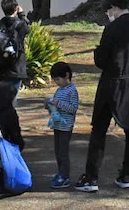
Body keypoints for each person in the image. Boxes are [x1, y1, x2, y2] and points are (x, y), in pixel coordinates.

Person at [75, 0, 129, 193]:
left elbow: (102, 60)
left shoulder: (112, 29)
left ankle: (91, 178)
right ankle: (126, 176)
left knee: (99, 130)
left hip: (113, 84)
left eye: (107, 10)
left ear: (112, 8)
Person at [0, 0, 30, 98]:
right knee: (12, 97)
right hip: (15, 65)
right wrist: (22, 15)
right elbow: (27, 30)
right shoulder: (21, 25)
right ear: (16, 8)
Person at [46, 61, 79, 189]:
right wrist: (49, 105)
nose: (56, 82)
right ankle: (60, 173)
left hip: (66, 127)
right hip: (57, 125)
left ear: (66, 76)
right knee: (57, 151)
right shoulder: (59, 90)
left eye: (58, 79)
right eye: (55, 80)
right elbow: (54, 107)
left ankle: (64, 177)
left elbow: (73, 108)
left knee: (63, 153)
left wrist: (58, 103)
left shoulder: (72, 91)